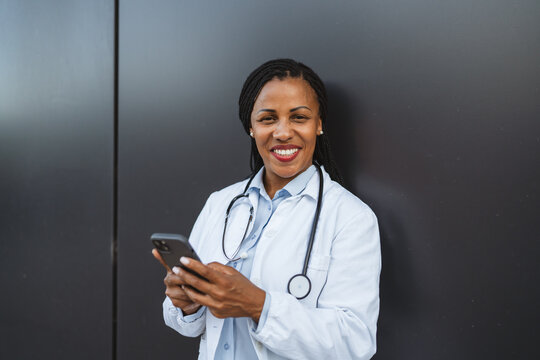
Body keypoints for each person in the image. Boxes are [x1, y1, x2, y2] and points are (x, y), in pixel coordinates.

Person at [152, 59, 381, 359]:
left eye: (299, 117)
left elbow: (355, 342)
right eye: (268, 118)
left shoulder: (351, 218)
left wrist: (258, 305)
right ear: (251, 127)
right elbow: (190, 326)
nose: (283, 133)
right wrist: (187, 304)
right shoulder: (220, 204)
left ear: (319, 124)